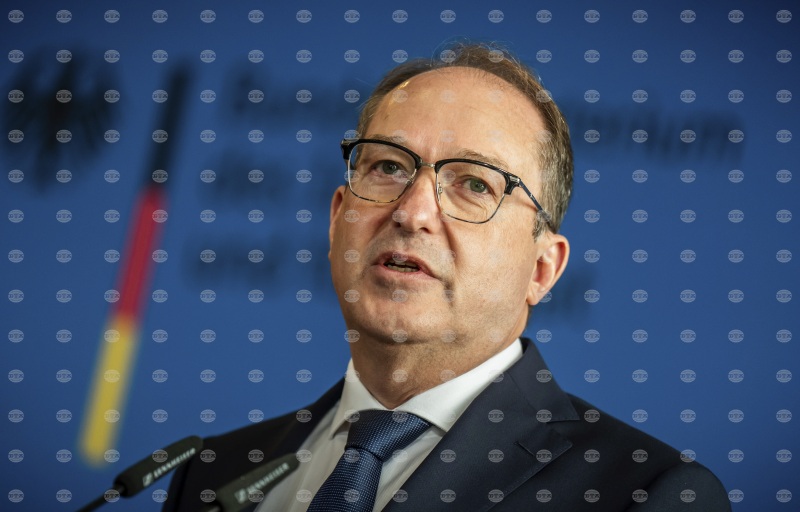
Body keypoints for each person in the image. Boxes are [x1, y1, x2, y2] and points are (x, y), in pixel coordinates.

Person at [164, 43, 730, 511]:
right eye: (388, 166)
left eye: (475, 183)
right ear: (337, 220)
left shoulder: (644, 494)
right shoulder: (213, 475)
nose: (412, 212)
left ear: (542, 269)